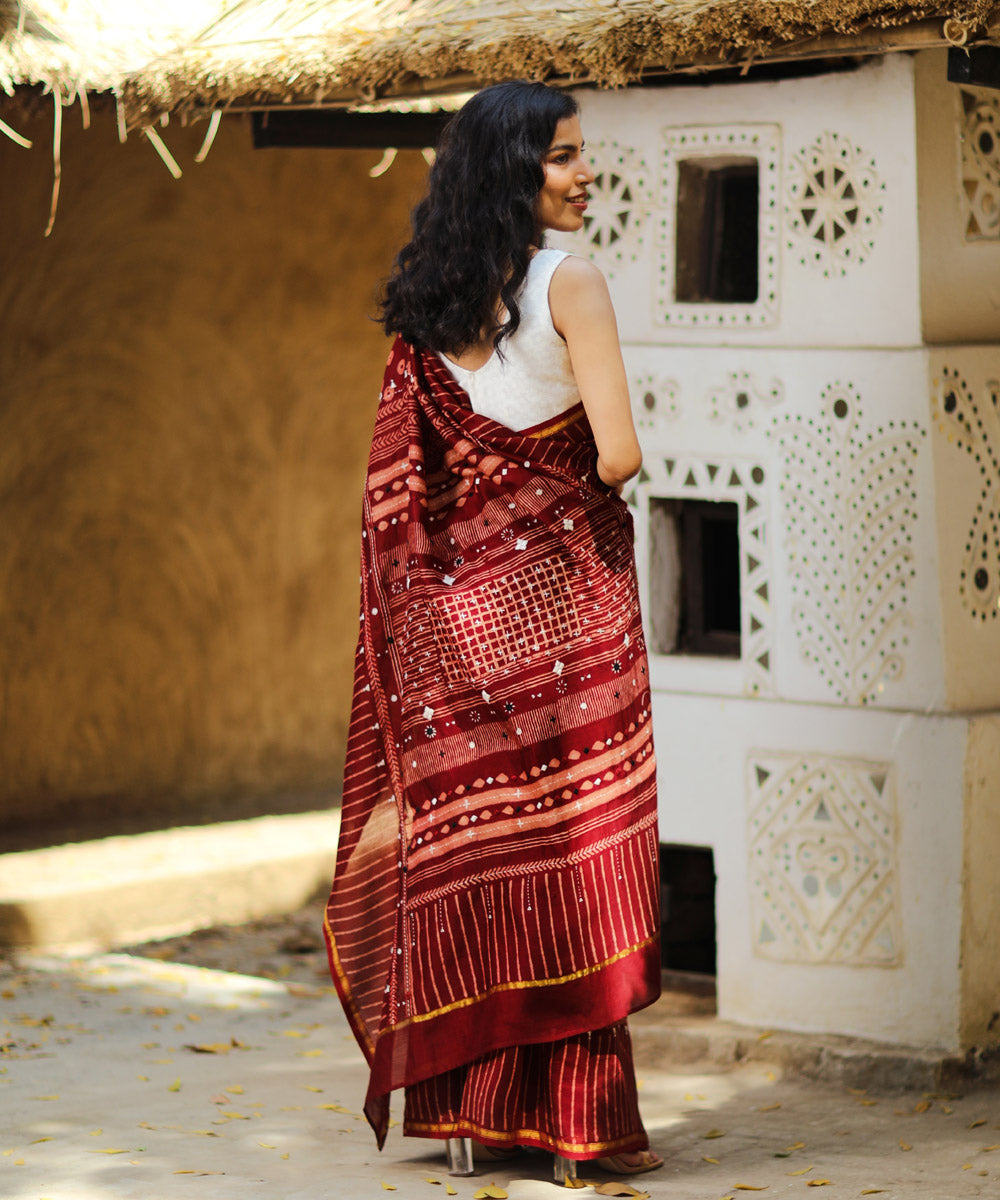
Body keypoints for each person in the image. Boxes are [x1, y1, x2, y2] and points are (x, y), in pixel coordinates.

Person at [324, 80, 663, 1178]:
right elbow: (615, 455)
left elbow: (409, 490)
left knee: (479, 858)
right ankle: (574, 1128)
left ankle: (468, 1122)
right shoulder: (575, 281)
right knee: (573, 857)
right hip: (563, 615)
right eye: (563, 156)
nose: (584, 174)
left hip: (451, 627)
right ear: (514, 170)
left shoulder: (427, 301)